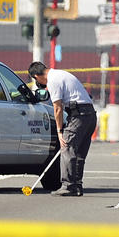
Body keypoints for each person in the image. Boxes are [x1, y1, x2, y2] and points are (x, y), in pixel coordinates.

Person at [28, 62, 97, 196]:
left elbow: (57, 108)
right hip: (90, 115)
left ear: (36, 75)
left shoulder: (53, 81)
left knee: (66, 146)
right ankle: (77, 185)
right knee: (79, 154)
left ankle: (68, 185)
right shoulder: (61, 74)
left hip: (79, 115)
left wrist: (60, 132)